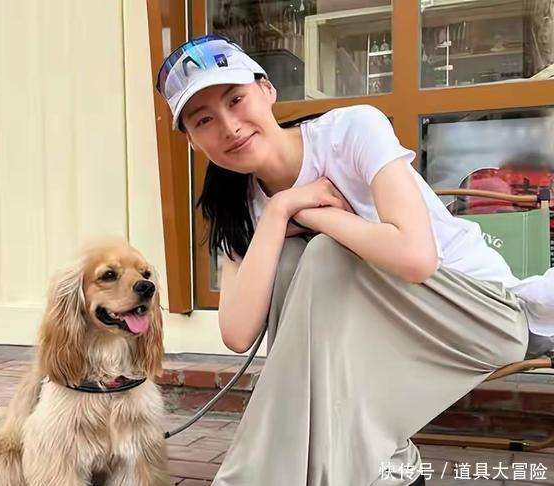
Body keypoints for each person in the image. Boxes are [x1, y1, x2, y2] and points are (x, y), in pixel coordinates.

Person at [155, 33, 554, 485]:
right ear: (192, 141)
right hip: (384, 340)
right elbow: (237, 333)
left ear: (267, 90)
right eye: (204, 120)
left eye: (236, 99)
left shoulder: (350, 131)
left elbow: (417, 258)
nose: (229, 126)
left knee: (324, 252)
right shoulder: (235, 203)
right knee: (291, 259)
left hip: (482, 315)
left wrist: (318, 218)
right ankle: (390, 466)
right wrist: (280, 212)